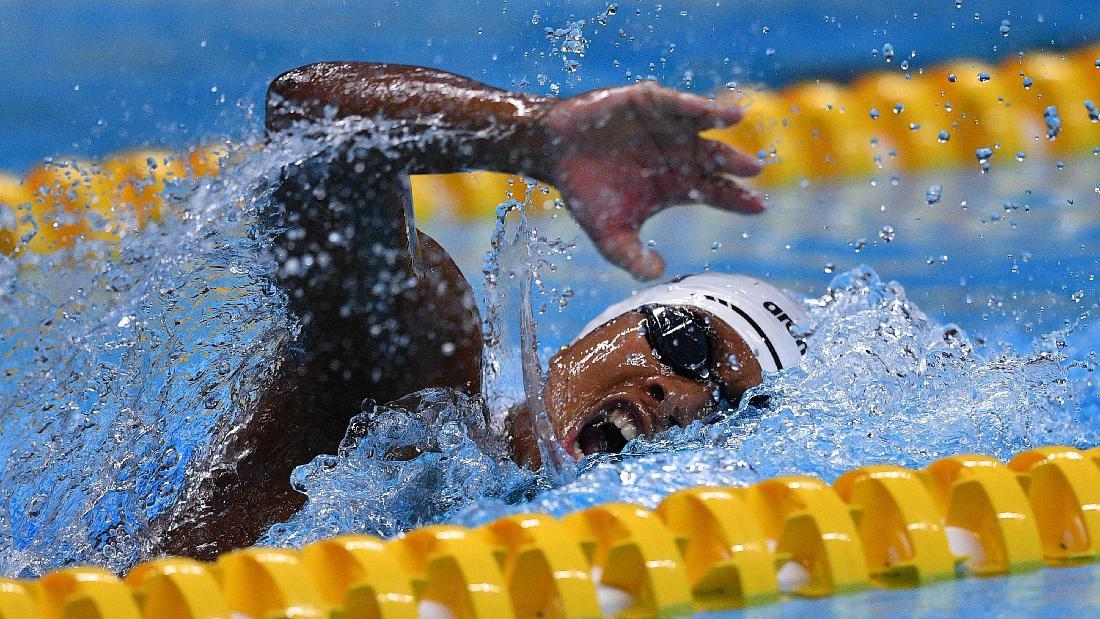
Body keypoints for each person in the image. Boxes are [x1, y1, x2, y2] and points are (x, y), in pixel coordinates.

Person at [157, 62, 807, 558]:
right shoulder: (421, 379)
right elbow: (308, 112)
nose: (683, 395)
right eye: (687, 343)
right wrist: (531, 135)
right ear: (598, 328)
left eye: (728, 406)